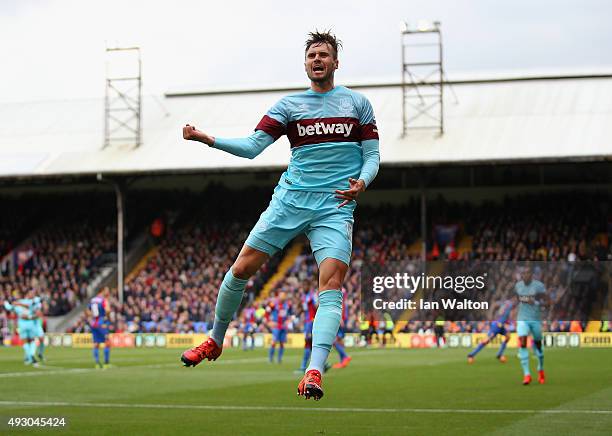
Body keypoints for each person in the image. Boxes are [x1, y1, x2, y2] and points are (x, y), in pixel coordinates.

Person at [180, 30, 380, 401]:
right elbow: (253, 147)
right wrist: (209, 140)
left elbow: (372, 155)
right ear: (305, 64)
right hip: (290, 201)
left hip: (335, 205)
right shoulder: (289, 106)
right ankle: (215, 339)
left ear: (336, 62)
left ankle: (315, 371)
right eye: (311, 56)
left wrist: (363, 182)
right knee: (240, 270)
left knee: (331, 285)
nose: (317, 60)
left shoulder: (358, 104)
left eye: (324, 55)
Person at [515, 267, 549, 385]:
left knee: (539, 349)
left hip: (535, 320)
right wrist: (526, 299)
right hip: (522, 319)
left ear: (532, 275)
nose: (525, 275)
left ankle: (540, 369)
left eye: (527, 273)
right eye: (523, 273)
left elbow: (548, 302)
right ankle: (527, 375)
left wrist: (536, 302)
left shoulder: (539, 286)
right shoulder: (518, 286)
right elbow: (517, 298)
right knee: (523, 342)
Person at [89, 288, 111, 369]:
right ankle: (106, 363)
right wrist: (106, 318)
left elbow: (88, 311)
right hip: (102, 323)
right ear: (102, 291)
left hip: (94, 323)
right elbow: (108, 310)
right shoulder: (103, 300)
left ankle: (97, 363)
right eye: (106, 290)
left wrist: (93, 318)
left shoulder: (92, 300)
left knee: (96, 343)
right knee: (107, 342)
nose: (108, 292)